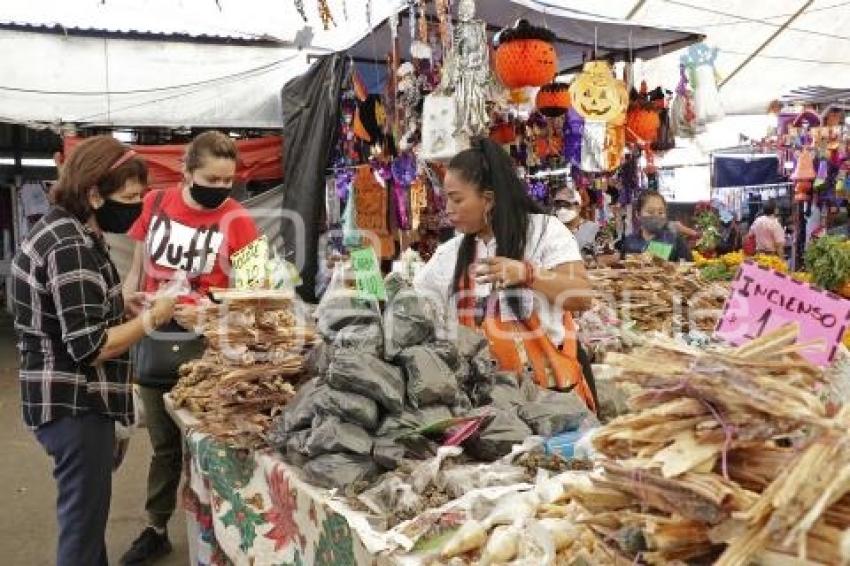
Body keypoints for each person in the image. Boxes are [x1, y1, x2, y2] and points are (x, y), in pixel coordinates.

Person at [12, 136, 175, 566]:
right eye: (128, 197)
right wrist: (151, 318)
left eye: (141, 197)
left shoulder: (74, 230)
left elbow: (73, 304)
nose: (137, 206)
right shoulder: (70, 246)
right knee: (82, 528)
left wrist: (123, 303)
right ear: (93, 192)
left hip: (71, 401)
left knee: (87, 519)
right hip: (75, 404)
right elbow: (90, 346)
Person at [121, 131, 259, 565]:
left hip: (209, 349)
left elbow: (254, 290)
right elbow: (138, 265)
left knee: (209, 446)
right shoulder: (156, 204)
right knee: (164, 446)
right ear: (187, 170)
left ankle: (220, 533)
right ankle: (155, 527)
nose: (220, 190)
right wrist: (129, 292)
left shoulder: (239, 218)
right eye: (211, 179)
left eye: (227, 182)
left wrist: (212, 311)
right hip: (156, 342)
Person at [414, 138, 597, 411]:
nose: (448, 209)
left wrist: (527, 273)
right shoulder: (448, 255)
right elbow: (415, 303)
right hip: (486, 407)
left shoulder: (544, 231)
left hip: (551, 398)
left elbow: (581, 297)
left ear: (488, 200)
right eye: (446, 199)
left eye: (457, 199)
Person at [620, 191, 693, 262]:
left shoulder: (675, 240)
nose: (656, 216)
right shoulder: (629, 242)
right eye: (650, 212)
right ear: (638, 214)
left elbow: (690, 267)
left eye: (661, 212)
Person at [553, 187, 599, 256]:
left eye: (567, 205)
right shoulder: (552, 230)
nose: (562, 210)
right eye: (558, 206)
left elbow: (607, 257)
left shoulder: (593, 229)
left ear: (578, 207)